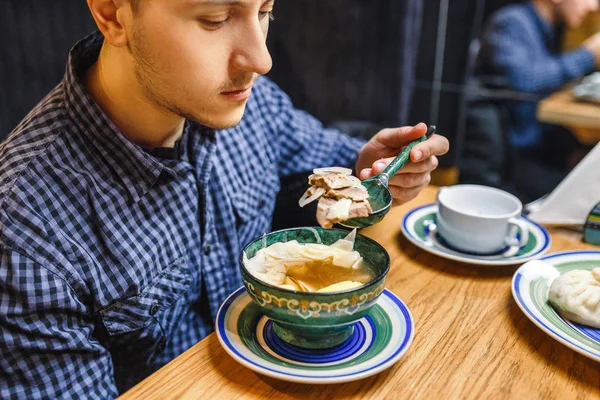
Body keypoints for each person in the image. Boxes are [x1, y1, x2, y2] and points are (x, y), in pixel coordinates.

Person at [0, 0, 448, 398]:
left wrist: (367, 170)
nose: (261, 59)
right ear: (112, 14)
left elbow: (321, 168)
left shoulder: (247, 102)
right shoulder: (24, 229)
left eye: (265, 12)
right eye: (215, 20)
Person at [462, 0, 600, 201]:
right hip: (508, 158)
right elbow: (523, 80)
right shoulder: (511, 22)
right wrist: (588, 54)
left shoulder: (548, 29)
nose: (593, 7)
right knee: (585, 196)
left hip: (531, 146)